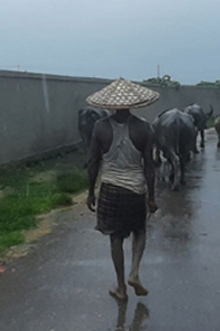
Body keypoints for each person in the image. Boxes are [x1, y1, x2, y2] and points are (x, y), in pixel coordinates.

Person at [85, 78, 160, 301]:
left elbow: (93, 162)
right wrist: (152, 197)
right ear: (133, 103)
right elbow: (150, 165)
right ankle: (134, 272)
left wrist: (90, 191)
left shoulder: (99, 127)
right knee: (140, 231)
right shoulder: (144, 128)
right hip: (136, 190)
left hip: (110, 189)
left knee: (115, 237)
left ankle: (120, 287)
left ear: (109, 104)